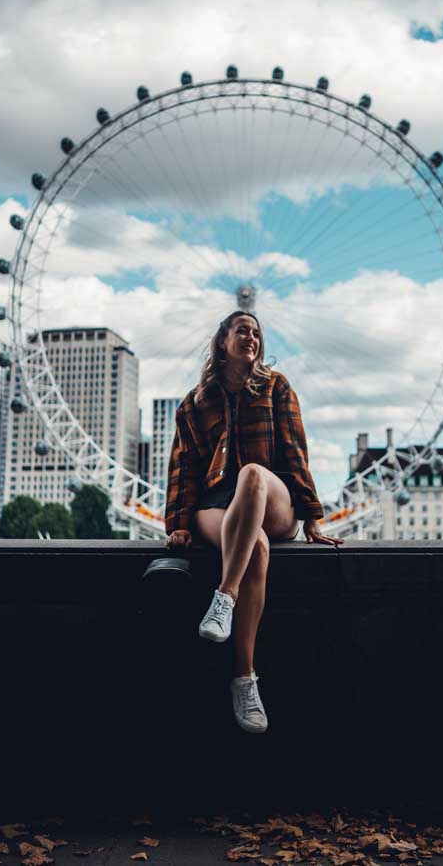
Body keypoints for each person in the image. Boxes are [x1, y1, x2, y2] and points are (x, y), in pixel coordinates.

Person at [164, 309, 343, 733]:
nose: (252, 337)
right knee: (255, 547)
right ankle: (244, 680)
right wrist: (178, 521)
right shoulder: (194, 402)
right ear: (222, 341)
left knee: (252, 474)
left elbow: (296, 451)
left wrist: (313, 516)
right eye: (243, 330)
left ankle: (223, 597)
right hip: (219, 504)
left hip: (274, 494)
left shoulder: (276, 387)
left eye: (257, 332)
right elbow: (184, 467)